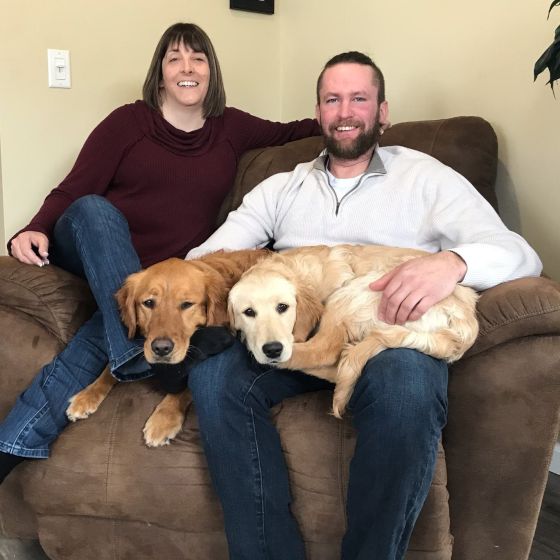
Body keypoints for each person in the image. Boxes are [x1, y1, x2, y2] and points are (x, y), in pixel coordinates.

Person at [185, 51, 543, 559]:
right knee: (213, 377)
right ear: (318, 112)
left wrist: (452, 263)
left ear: (382, 111)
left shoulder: (427, 178)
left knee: (407, 387)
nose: (345, 111)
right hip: (292, 328)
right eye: (333, 100)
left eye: (359, 98)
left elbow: (520, 254)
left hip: (387, 332)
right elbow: (206, 262)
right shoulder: (282, 187)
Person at [0, 22, 319, 484]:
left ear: (211, 71)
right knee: (94, 209)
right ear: (160, 72)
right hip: (94, 244)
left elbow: (294, 131)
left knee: (104, 327)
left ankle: (11, 446)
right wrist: (34, 227)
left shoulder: (230, 127)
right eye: (175, 59)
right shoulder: (127, 123)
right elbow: (74, 189)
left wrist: (349, 121)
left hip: (157, 286)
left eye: (198, 59)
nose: (187, 68)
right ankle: (135, 354)